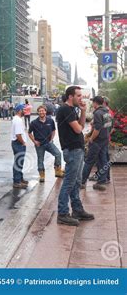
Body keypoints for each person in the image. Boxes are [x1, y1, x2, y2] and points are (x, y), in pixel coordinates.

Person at [55, 86, 94, 226]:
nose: (81, 98)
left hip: (77, 150)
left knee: (77, 182)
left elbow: (82, 125)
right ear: (70, 96)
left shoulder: (72, 110)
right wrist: (80, 119)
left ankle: (77, 210)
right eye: (78, 95)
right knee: (69, 182)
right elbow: (78, 129)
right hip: (72, 150)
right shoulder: (65, 109)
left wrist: (83, 111)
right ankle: (63, 213)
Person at [80, 96, 110, 191]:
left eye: (93, 102)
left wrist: (91, 139)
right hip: (105, 140)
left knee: (89, 161)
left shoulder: (97, 113)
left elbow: (97, 129)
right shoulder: (107, 112)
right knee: (103, 161)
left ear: (95, 103)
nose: (92, 104)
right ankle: (101, 182)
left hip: (97, 141)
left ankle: (82, 182)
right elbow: (109, 126)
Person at [28, 105, 64, 183]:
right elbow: (29, 133)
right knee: (40, 160)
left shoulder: (50, 121)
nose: (41, 112)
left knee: (58, 154)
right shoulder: (34, 123)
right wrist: (34, 141)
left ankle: (57, 171)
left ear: (45, 111)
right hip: (39, 144)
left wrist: (51, 139)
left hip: (48, 143)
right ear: (38, 112)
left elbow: (53, 131)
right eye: (40, 111)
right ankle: (42, 175)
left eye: (43, 110)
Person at [11, 104, 29, 189]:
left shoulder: (17, 119)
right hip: (18, 143)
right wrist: (23, 142)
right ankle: (17, 181)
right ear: (19, 110)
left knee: (19, 162)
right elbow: (18, 135)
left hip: (16, 143)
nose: (25, 111)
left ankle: (20, 179)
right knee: (18, 163)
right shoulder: (18, 120)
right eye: (23, 110)